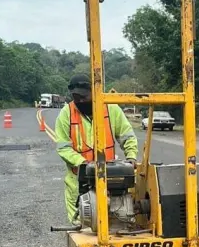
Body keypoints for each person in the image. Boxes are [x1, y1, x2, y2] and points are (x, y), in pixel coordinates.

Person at [55, 73, 138, 224]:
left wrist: (131, 157)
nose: (80, 100)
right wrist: (84, 164)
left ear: (95, 92)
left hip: (110, 180)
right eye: (76, 97)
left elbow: (127, 137)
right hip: (79, 184)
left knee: (116, 224)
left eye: (84, 96)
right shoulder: (66, 114)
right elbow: (63, 147)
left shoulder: (111, 108)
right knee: (83, 231)